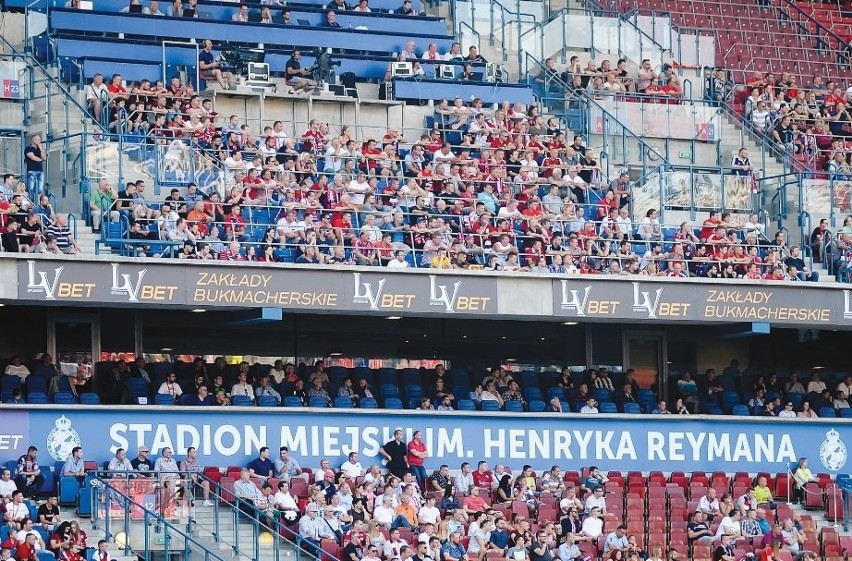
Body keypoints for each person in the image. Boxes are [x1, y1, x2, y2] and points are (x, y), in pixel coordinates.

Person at [24, 135, 45, 202]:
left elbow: (44, 158)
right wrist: (41, 159)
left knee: (40, 189)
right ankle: (31, 202)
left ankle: (37, 202)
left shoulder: (40, 149)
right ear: (33, 140)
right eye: (38, 139)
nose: (40, 141)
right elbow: (33, 157)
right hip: (31, 171)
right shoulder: (28, 148)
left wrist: (41, 149)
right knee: (31, 188)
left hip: (40, 171)